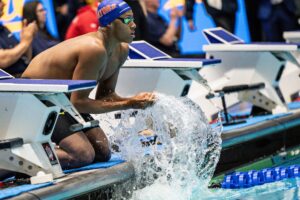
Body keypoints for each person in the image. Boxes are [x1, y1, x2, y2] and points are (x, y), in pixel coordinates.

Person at [22, 0, 155, 169]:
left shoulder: (121, 49)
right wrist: (129, 103)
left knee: (102, 151)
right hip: (34, 97)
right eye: (128, 20)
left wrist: (133, 101)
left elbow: (106, 95)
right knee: (82, 154)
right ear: (110, 23)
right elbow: (79, 103)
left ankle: (56, 146)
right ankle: (19, 160)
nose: (134, 25)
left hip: (61, 99)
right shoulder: (94, 49)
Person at [0, 0, 37, 77]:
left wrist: (28, 38)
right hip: (9, 82)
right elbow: (2, 61)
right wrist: (24, 43)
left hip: (24, 75)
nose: (3, 4)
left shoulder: (4, 29)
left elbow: (26, 58)